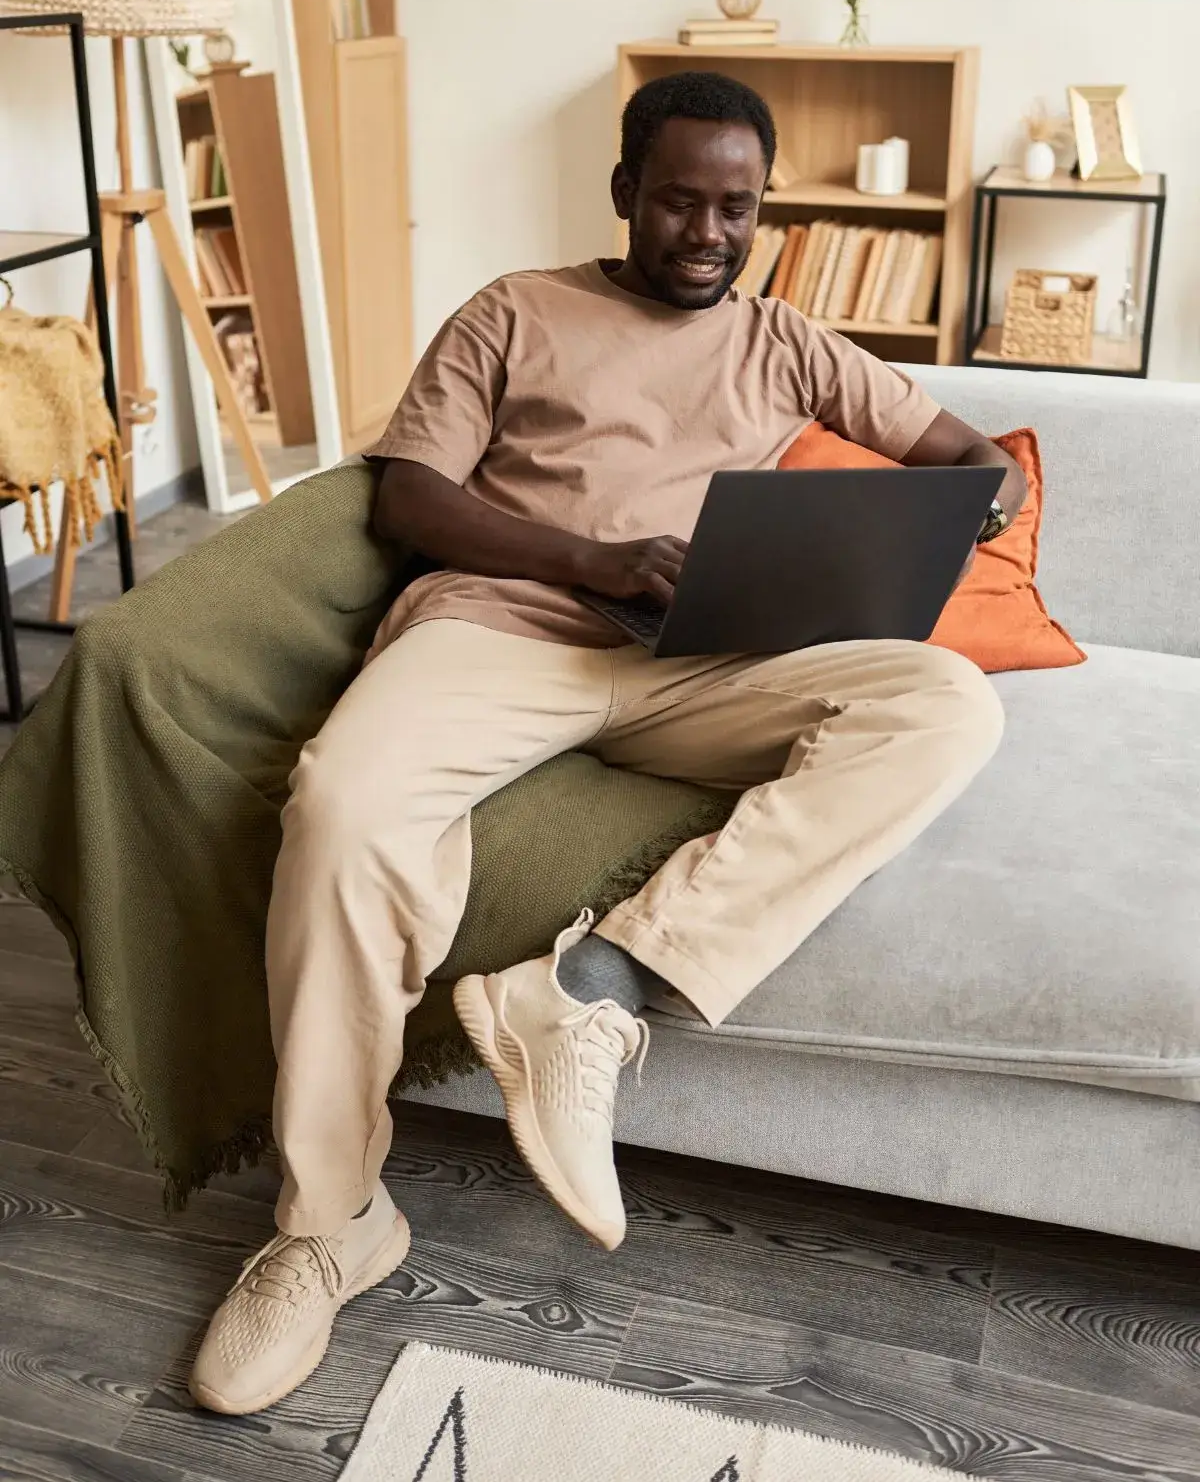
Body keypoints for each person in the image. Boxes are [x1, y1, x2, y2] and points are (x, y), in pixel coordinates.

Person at [189, 71, 1025, 1416]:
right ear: (627, 191)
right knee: (342, 805)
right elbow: (412, 496)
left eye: (736, 208)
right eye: (681, 200)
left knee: (945, 704)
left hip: (703, 663)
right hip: (506, 632)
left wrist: (986, 489)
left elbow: (967, 447)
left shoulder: (791, 339)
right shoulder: (515, 309)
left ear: (764, 214)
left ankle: (592, 989)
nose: (708, 231)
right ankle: (325, 1225)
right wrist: (596, 558)